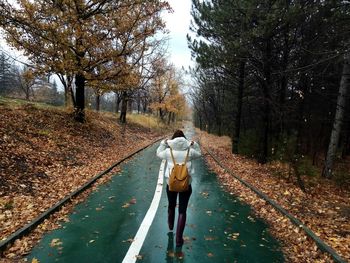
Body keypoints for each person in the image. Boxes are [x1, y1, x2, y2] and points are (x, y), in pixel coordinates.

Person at [156, 130, 201, 247]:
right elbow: (199, 153)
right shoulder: (190, 152)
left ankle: (170, 225)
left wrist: (163, 142)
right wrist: (193, 143)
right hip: (186, 185)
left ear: (173, 139)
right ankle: (179, 239)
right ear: (184, 139)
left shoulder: (168, 151)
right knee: (182, 210)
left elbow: (158, 153)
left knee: (171, 205)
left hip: (171, 184)